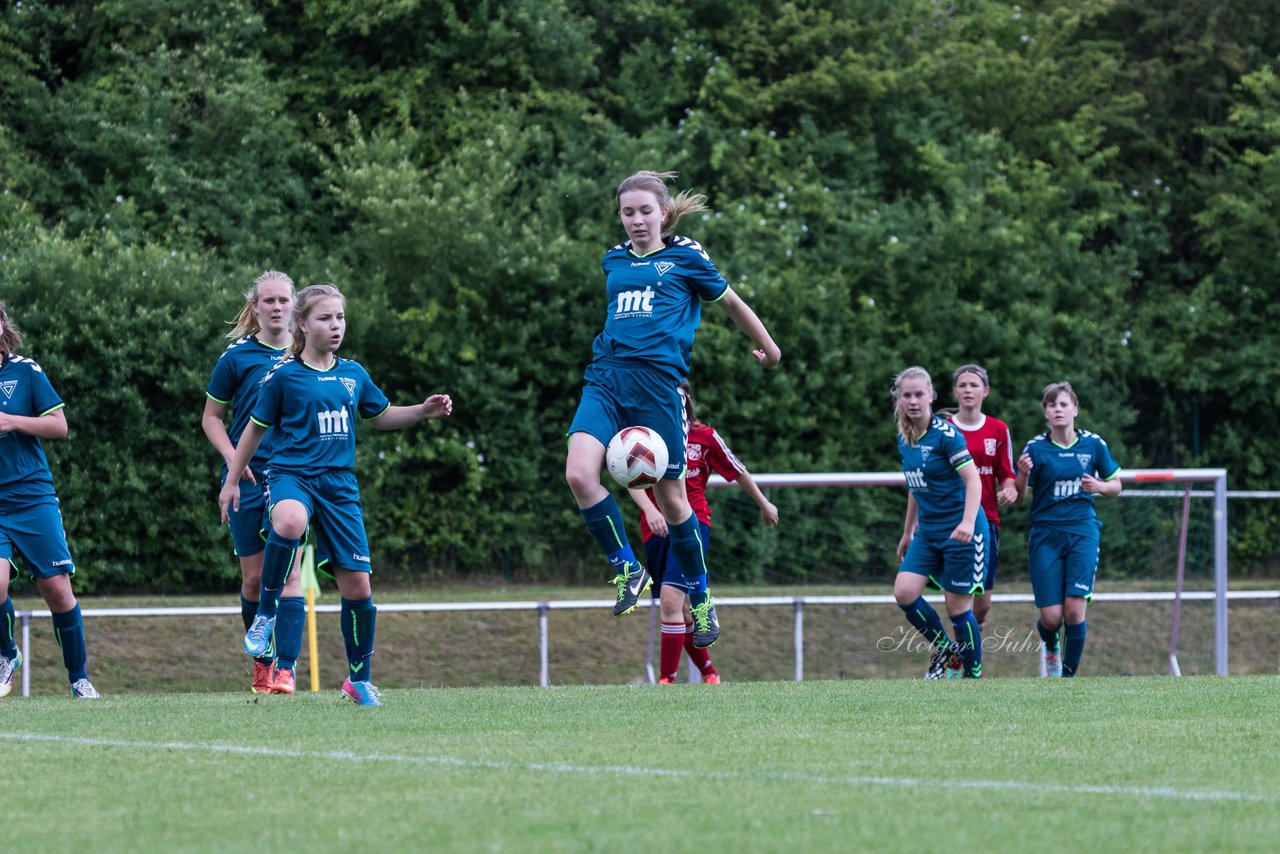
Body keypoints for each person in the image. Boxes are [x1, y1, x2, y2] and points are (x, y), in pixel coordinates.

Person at [564, 170, 780, 649]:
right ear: (619, 216)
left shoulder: (686, 257)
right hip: (605, 379)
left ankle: (700, 598)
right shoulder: (613, 261)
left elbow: (733, 305)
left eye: (645, 211)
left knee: (674, 501)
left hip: (660, 389)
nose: (637, 221)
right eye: (627, 212)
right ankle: (626, 566)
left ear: (663, 213)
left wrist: (771, 349)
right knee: (580, 474)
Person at [219, 284, 452, 706]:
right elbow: (253, 430)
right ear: (303, 326)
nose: (335, 326)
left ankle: (358, 680)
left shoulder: (353, 374)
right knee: (289, 521)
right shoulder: (283, 376)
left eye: (340, 318)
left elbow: (380, 416)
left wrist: (422, 410)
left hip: (340, 487)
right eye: (325, 318)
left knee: (359, 588)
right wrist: (232, 479)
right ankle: (266, 614)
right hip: (292, 476)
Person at [629, 382, 778, 684]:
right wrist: (650, 510)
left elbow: (737, 469)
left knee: (671, 602)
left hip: (693, 525)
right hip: (656, 531)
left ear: (686, 403)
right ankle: (710, 673)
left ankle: (665, 680)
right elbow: (633, 480)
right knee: (680, 610)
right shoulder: (648, 438)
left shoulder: (704, 438)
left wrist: (764, 502)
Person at [202, 271, 306, 695]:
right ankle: (262, 661)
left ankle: (286, 669)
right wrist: (232, 461)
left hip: (295, 477)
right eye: (269, 301)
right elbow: (212, 418)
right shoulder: (236, 358)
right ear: (256, 307)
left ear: (295, 306)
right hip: (247, 478)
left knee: (291, 576)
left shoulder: (307, 357)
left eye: (284, 300)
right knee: (253, 579)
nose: (278, 307)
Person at [0, 300, 100, 699]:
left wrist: (11, 421)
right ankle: (7, 653)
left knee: (57, 591)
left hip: (31, 496)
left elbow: (59, 426)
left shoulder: (26, 371)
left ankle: (79, 678)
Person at [1015, 381, 1122, 678]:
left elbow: (1116, 485)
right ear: (1045, 413)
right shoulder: (1035, 448)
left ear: (1075, 409)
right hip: (1045, 535)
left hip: (1082, 531)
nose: (1058, 409)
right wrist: (1022, 476)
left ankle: (1067, 677)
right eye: (1052, 405)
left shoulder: (1093, 444)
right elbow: (1021, 497)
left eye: (1063, 404)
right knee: (1051, 618)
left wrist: (1099, 486)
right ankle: (1051, 646)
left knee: (1075, 610)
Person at [892, 366, 988, 680]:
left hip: (961, 531)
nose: (913, 400)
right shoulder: (904, 438)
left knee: (958, 609)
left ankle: (973, 677)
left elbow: (974, 482)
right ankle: (948, 652)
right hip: (929, 531)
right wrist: (908, 531)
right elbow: (916, 487)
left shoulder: (946, 435)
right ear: (900, 399)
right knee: (904, 592)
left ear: (932, 396)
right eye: (907, 395)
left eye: (919, 394)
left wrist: (968, 523)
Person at [944, 364, 1017, 637]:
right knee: (957, 600)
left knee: (982, 603)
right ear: (955, 392)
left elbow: (1006, 473)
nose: (967, 390)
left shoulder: (998, 429)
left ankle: (968, 648)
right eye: (962, 385)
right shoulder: (944, 429)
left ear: (985, 391)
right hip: (952, 521)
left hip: (987, 521)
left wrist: (1010, 488)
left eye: (973, 385)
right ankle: (961, 660)